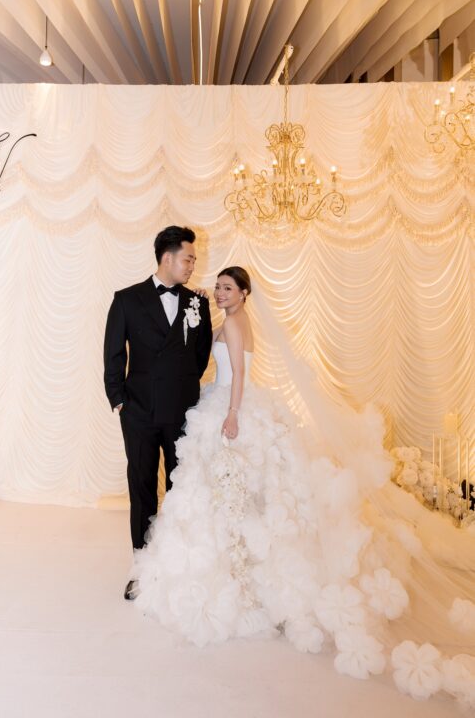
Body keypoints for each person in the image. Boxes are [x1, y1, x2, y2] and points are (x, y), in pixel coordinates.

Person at [132, 266, 475, 707]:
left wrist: (231, 415)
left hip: (230, 406)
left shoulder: (234, 323)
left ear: (244, 293)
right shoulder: (234, 318)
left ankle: (240, 580)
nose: (219, 292)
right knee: (237, 497)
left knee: (229, 495)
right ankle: (245, 572)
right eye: (217, 286)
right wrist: (200, 302)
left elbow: (238, 373)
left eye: (227, 288)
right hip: (229, 403)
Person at [103, 226, 212, 599]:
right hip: (139, 411)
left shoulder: (197, 303)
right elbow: (113, 355)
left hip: (182, 412)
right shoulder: (127, 299)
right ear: (168, 258)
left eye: (193, 260)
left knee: (181, 490)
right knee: (142, 489)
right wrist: (120, 401)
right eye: (189, 259)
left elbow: (199, 357)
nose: (193, 266)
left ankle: (177, 569)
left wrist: (182, 389)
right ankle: (142, 568)